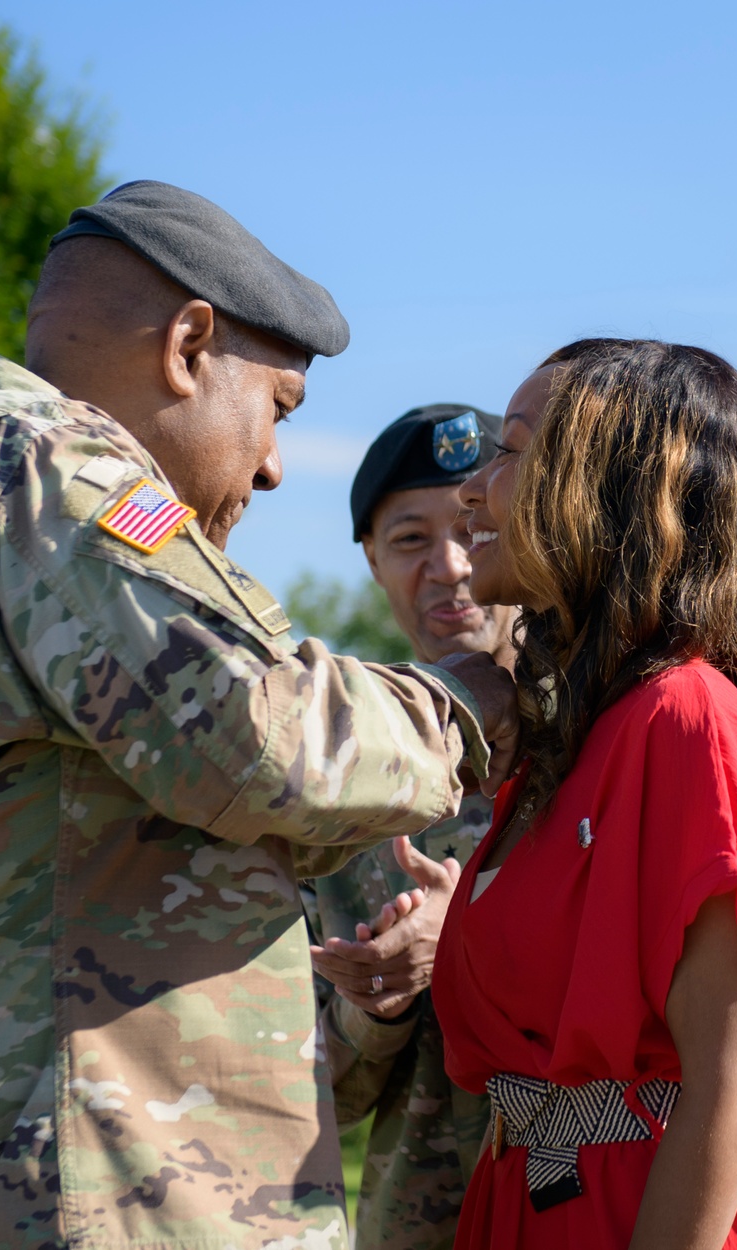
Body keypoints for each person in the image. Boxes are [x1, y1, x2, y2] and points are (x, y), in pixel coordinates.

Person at [0, 181, 519, 1250]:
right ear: (190, 345)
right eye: (278, 409)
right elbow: (254, 735)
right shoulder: (51, 466)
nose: (274, 466)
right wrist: (463, 705)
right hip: (81, 1192)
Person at [431, 338, 737, 1249]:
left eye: (511, 450)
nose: (471, 489)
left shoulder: (689, 719)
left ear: (611, 487)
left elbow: (736, 1081)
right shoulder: (564, 744)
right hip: (536, 1208)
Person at [304, 403, 518, 1250]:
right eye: (409, 540)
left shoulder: (614, 732)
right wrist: (379, 1007)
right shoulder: (336, 774)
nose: (450, 567)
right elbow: (327, 1094)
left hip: (594, 1214)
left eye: (473, 525)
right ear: (370, 561)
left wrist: (471, 927)